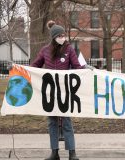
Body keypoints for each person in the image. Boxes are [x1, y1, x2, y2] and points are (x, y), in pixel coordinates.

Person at [31, 20, 85, 160]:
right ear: (54, 37)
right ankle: (54, 152)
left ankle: (72, 152)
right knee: (52, 122)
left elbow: (77, 67)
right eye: (60, 35)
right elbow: (35, 66)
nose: (63, 37)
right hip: (50, 93)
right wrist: (22, 70)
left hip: (65, 93)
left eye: (64, 35)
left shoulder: (69, 49)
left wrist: (86, 71)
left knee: (67, 121)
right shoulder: (45, 51)